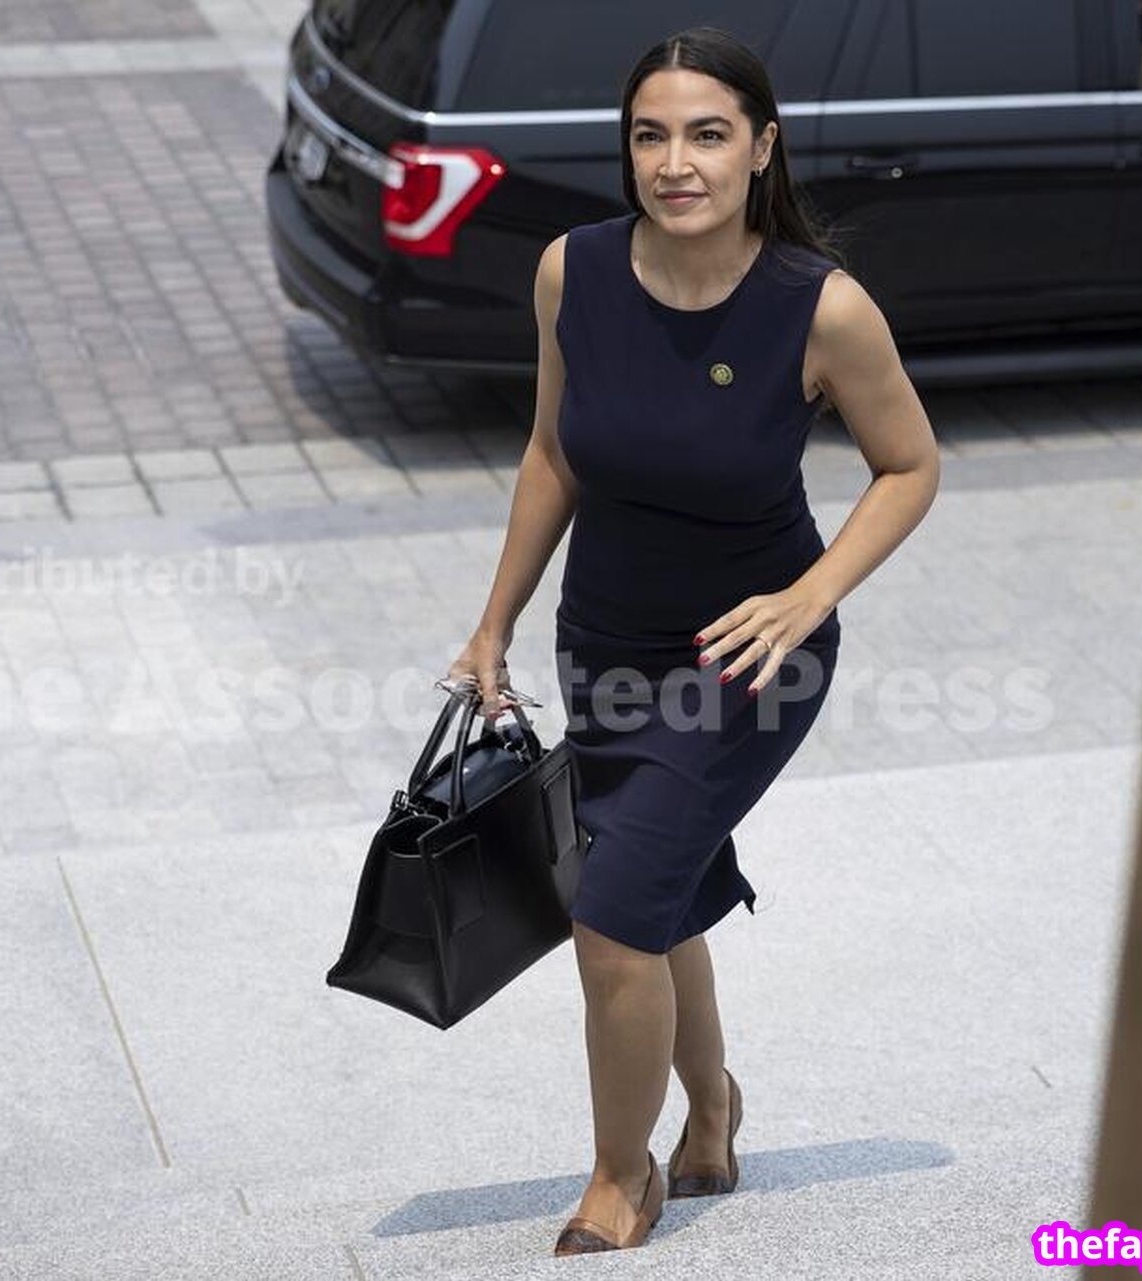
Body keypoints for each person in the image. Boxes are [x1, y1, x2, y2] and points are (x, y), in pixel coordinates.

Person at [441, 27, 939, 1256]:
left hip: (751, 658)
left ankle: (625, 1178)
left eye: (708, 135)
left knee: (613, 916)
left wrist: (810, 595)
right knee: (657, 890)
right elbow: (553, 452)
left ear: (762, 147)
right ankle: (712, 1108)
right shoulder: (572, 272)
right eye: (651, 136)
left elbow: (910, 465)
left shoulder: (820, 307)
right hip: (606, 643)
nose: (677, 163)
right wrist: (495, 620)